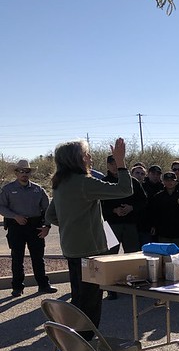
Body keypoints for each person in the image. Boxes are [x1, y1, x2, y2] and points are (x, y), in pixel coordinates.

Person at [44, 138, 132, 337]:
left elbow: (50, 216)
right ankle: (85, 347)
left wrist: (72, 225)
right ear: (77, 159)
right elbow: (125, 190)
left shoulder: (60, 183)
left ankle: (75, 341)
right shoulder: (84, 182)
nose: (90, 158)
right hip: (90, 252)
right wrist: (121, 163)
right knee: (90, 303)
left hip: (72, 249)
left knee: (79, 298)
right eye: (87, 154)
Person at [0, 159, 57, 297]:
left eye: (27, 171)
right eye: (21, 171)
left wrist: (47, 226)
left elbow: (47, 209)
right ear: (16, 173)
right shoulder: (8, 189)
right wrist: (15, 216)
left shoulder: (38, 189)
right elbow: (1, 207)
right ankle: (17, 287)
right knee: (17, 257)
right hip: (16, 226)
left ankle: (43, 285)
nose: (24, 174)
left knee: (38, 257)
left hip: (35, 226)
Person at [101, 154, 147, 254]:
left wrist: (132, 207)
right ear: (108, 165)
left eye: (117, 163)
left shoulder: (132, 182)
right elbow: (98, 206)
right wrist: (113, 210)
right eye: (111, 164)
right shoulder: (103, 182)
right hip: (110, 225)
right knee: (109, 255)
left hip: (130, 224)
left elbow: (143, 201)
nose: (115, 166)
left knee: (132, 254)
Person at [147, 171, 179, 248]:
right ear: (163, 182)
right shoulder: (158, 197)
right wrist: (154, 226)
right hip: (163, 233)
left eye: (172, 180)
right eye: (167, 180)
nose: (170, 182)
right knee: (165, 256)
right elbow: (154, 213)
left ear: (176, 182)